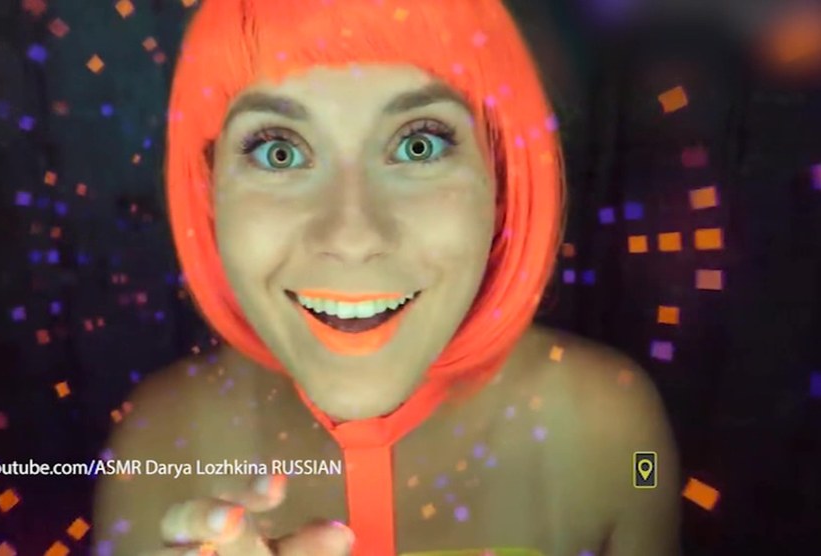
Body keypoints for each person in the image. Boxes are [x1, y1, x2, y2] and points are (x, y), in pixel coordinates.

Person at [93, 0, 681, 554]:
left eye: (419, 146)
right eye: (279, 152)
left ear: (500, 178)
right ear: (209, 187)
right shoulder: (152, 448)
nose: (353, 236)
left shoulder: (620, 438)